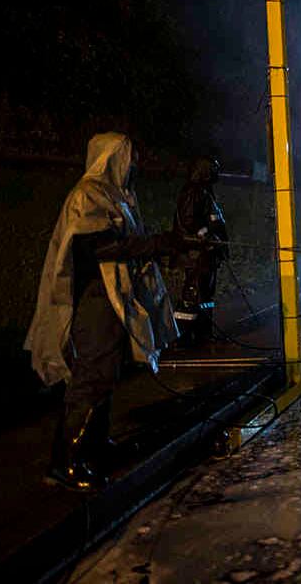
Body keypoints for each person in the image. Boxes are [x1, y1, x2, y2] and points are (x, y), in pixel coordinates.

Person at [27, 133, 183, 491]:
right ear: (111, 158)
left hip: (112, 298)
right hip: (94, 299)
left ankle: (93, 446)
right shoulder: (88, 195)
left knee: (108, 371)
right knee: (92, 375)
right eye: (130, 156)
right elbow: (99, 246)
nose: (136, 164)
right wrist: (155, 243)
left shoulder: (116, 195)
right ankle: (65, 461)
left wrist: (159, 245)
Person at [173, 156, 228, 345]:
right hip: (195, 255)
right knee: (192, 295)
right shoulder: (193, 192)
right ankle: (184, 336)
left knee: (205, 296)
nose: (216, 173)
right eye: (213, 169)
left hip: (206, 255)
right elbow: (188, 222)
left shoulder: (205, 191)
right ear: (204, 171)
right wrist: (205, 234)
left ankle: (204, 334)